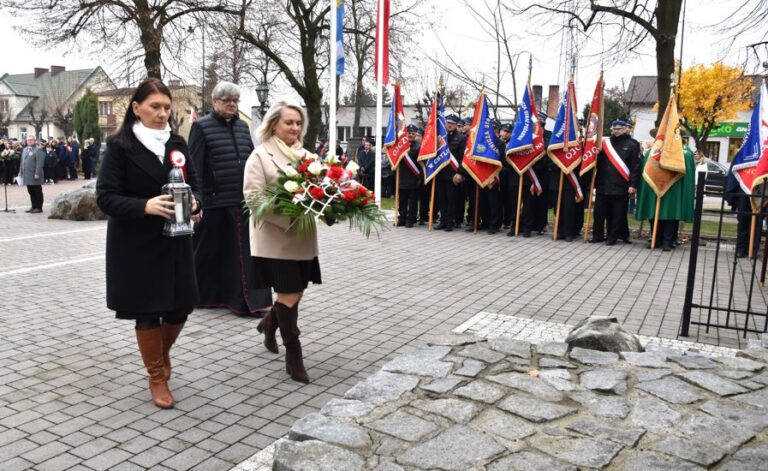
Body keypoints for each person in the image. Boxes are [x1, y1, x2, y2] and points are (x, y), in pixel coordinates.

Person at [96, 77, 201, 409]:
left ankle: (161, 353)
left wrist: (196, 204)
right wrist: (145, 206)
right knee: (147, 312)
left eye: (167, 107)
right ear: (136, 108)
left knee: (181, 307)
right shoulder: (119, 147)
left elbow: (195, 184)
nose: (162, 113)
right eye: (155, 106)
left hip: (176, 241)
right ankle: (157, 376)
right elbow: (106, 198)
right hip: (136, 244)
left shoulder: (178, 144)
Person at [243, 100, 321, 383]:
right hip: (274, 238)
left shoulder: (308, 156)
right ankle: (294, 353)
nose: (295, 128)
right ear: (274, 124)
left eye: (299, 123)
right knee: (288, 294)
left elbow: (322, 190)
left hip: (302, 238)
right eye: (289, 122)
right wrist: (290, 216)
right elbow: (254, 198)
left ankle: (268, 323)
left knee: (296, 292)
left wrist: (332, 206)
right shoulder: (260, 156)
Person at [188, 81, 272, 317]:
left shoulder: (243, 127)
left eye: (235, 101)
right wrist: (197, 202)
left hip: (240, 201)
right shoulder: (201, 127)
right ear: (215, 102)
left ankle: (248, 302)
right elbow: (194, 167)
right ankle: (200, 296)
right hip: (213, 201)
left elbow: (250, 161)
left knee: (242, 254)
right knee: (207, 252)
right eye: (227, 101)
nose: (232, 105)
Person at [591, 119, 641, 245]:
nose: (616, 131)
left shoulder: (632, 144)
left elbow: (635, 167)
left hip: (621, 185)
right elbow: (597, 164)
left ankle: (612, 237)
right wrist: (595, 155)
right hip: (603, 184)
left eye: (619, 129)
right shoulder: (604, 144)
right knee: (599, 213)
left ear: (625, 129)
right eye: (614, 129)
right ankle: (597, 236)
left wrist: (633, 185)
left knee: (617, 214)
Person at [396, 125, 421, 227]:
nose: (410, 135)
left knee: (413, 201)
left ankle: (411, 219)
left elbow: (421, 163)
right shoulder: (401, 146)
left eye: (413, 133)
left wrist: (420, 177)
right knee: (402, 200)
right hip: (402, 176)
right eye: (409, 133)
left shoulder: (418, 147)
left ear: (415, 135)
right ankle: (402, 218)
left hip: (414, 177)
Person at [18, 135, 46, 213]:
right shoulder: (25, 150)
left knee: (37, 191)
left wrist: (37, 173)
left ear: (35, 141)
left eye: (31, 140)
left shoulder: (38, 150)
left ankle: (39, 207)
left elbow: (39, 163)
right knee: (31, 191)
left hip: (35, 174)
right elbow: (22, 162)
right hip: (27, 175)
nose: (29, 141)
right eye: (28, 140)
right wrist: (20, 172)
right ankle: (33, 206)